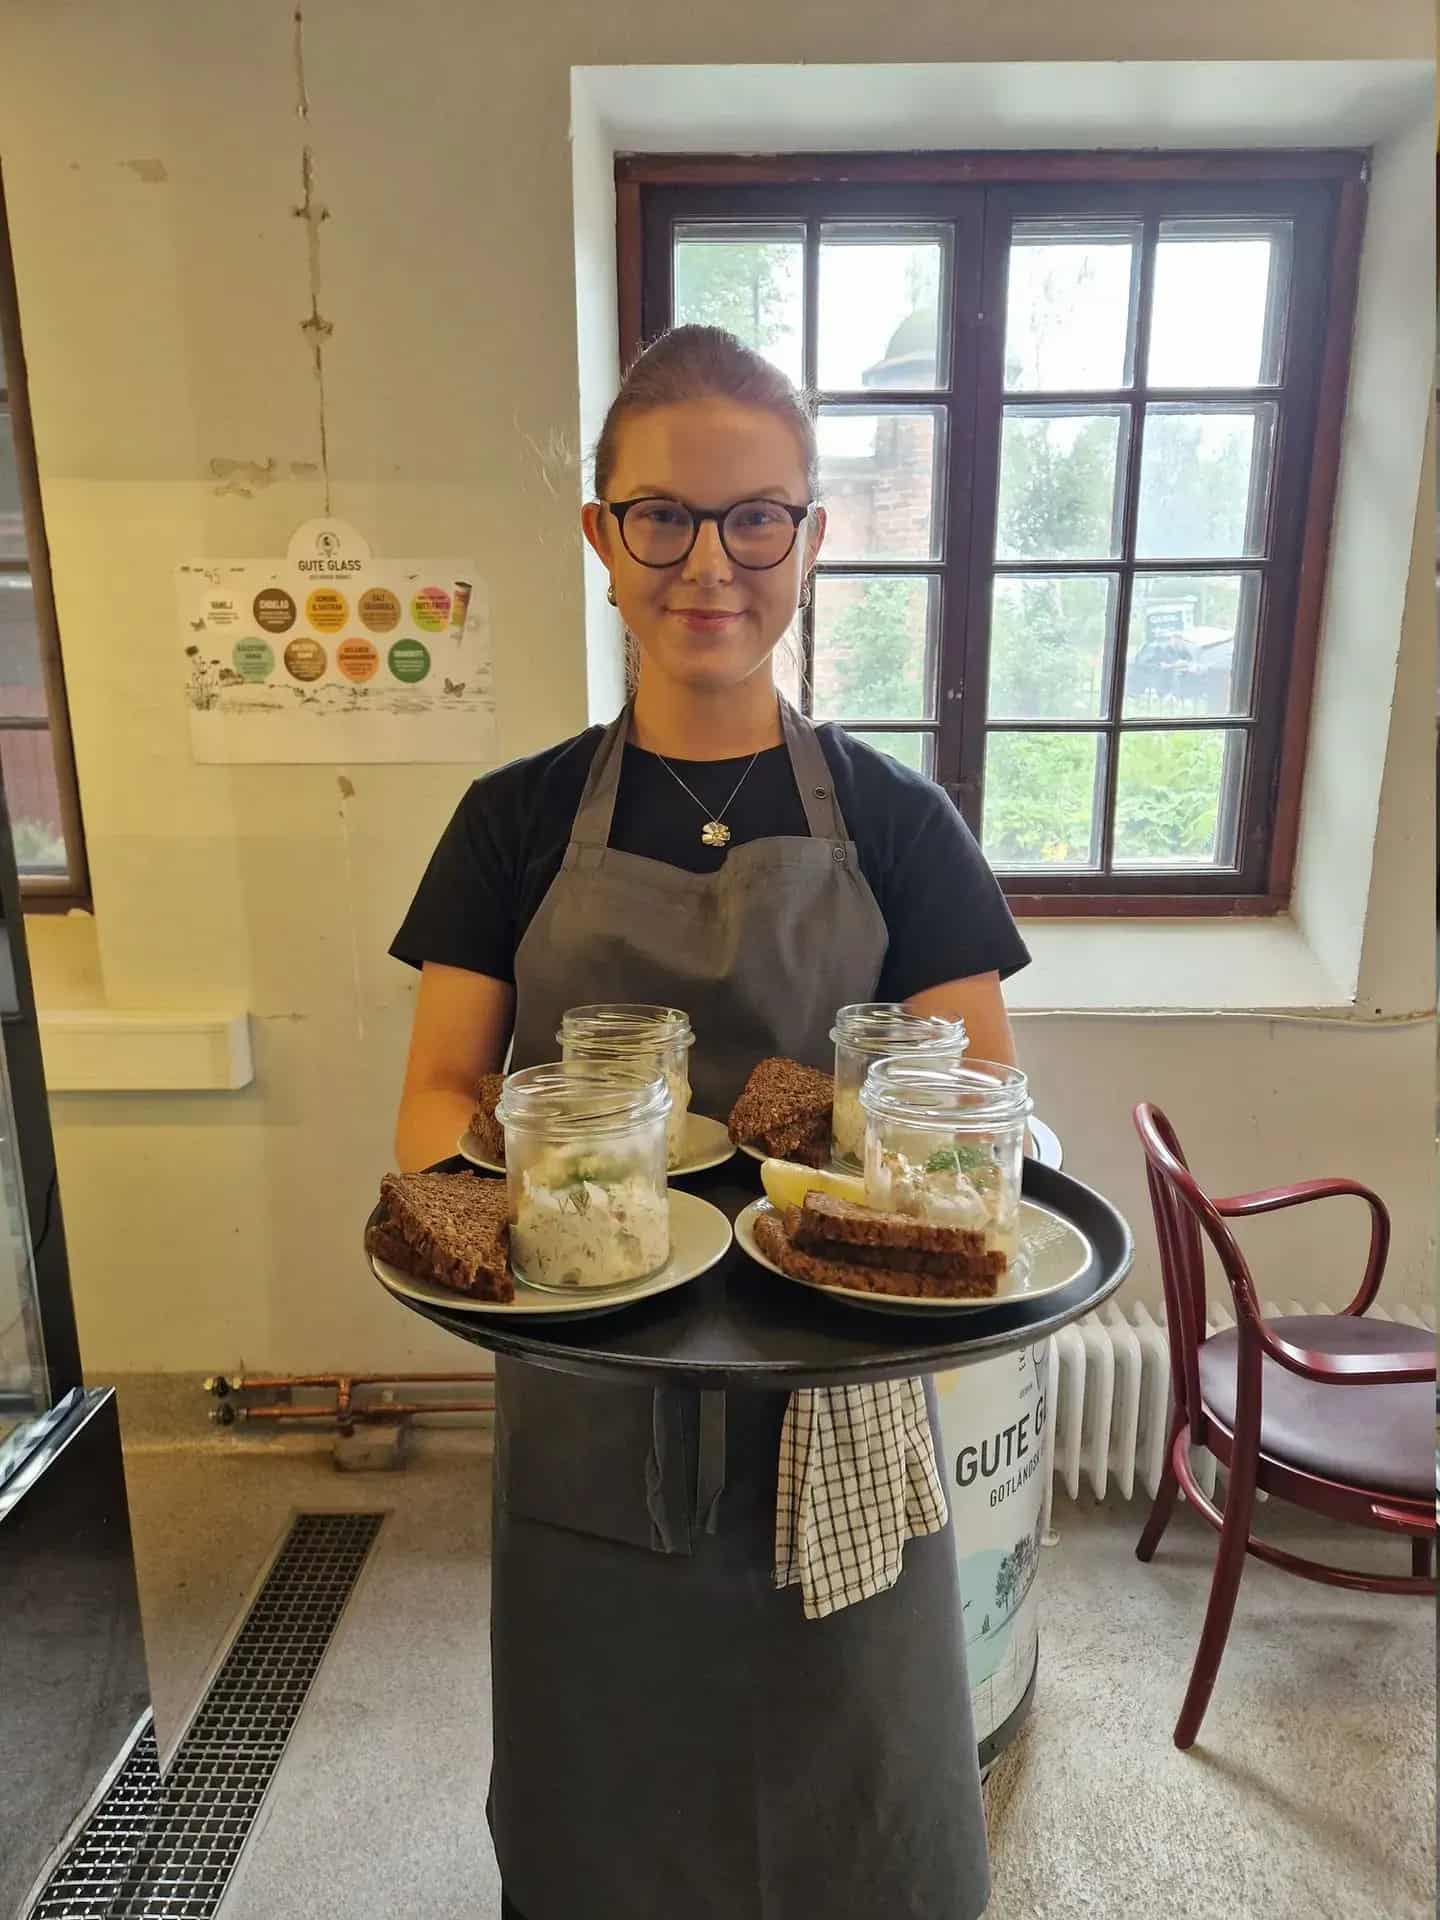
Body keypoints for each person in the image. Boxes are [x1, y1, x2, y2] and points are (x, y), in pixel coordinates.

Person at [390, 325, 1030, 1920]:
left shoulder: (897, 820)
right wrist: (519, 1209)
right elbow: (435, 1104)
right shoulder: (515, 819)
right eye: (663, 515)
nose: (710, 563)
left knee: (852, 1794)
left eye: (759, 518)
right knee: (610, 1789)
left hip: (847, 1382)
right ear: (601, 536)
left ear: (811, 539)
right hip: (596, 1376)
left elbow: (969, 1122)